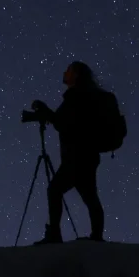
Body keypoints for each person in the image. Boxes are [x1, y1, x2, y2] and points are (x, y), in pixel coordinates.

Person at [31, 61, 105, 245]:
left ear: (76, 75)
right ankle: (96, 236)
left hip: (76, 156)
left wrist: (47, 113)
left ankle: (55, 235)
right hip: (87, 156)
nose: (64, 72)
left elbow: (64, 122)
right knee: (89, 196)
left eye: (69, 71)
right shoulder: (87, 95)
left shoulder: (76, 96)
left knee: (55, 190)